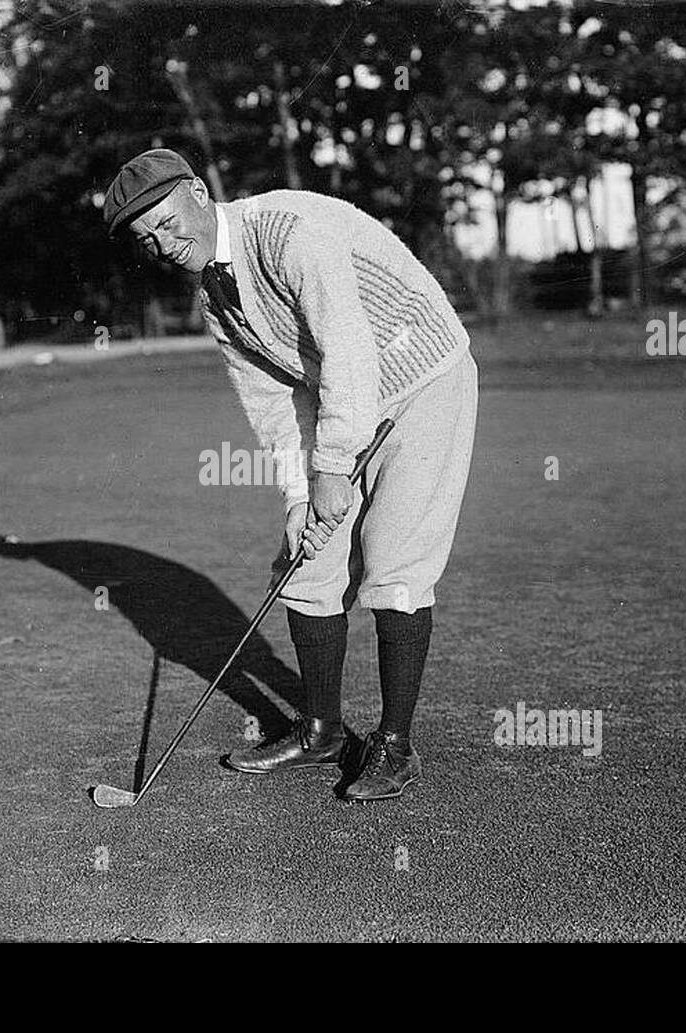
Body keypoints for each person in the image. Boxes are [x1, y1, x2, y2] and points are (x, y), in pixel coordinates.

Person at [104, 149, 478, 801]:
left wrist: (335, 465)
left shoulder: (286, 232)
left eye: (166, 223)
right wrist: (305, 488)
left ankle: (394, 745)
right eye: (147, 240)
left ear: (198, 191)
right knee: (306, 562)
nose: (163, 244)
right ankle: (323, 730)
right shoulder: (215, 297)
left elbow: (350, 350)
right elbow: (273, 402)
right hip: (344, 394)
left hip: (422, 380)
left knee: (393, 560)